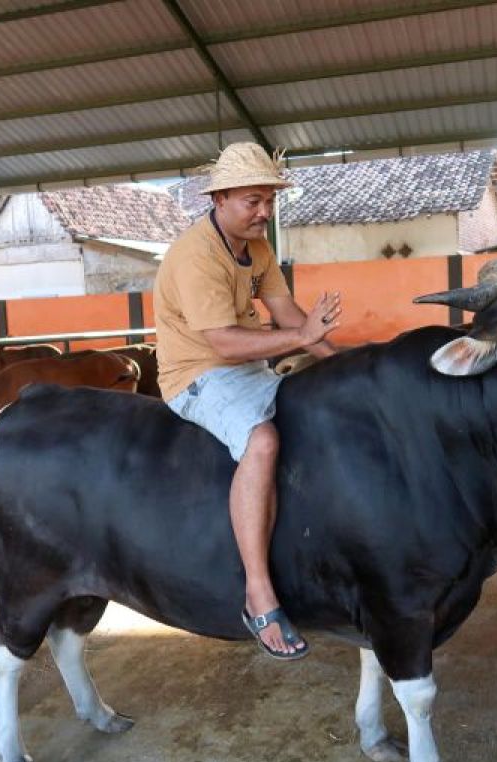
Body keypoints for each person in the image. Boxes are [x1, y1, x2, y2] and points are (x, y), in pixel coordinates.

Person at [154, 143, 341, 660]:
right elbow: (226, 344)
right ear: (219, 199)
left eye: (270, 201)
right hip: (199, 375)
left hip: (248, 369)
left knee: (326, 400)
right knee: (262, 441)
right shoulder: (197, 255)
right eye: (252, 201)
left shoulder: (256, 248)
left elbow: (286, 314)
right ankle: (258, 594)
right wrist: (305, 340)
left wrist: (341, 363)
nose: (265, 212)